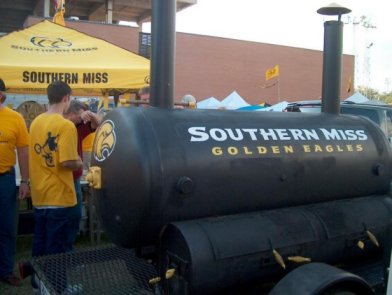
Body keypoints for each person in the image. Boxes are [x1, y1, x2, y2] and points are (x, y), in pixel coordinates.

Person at [29, 81, 82, 259]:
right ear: (66, 98)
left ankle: (38, 283)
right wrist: (80, 163)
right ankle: (58, 287)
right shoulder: (66, 125)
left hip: (39, 194)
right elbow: (67, 162)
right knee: (56, 247)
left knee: (40, 240)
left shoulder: (36, 122)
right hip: (58, 195)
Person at [0, 79, 30, 287]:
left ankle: (5, 270)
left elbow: (23, 151)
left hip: (5, 179)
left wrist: (26, 181)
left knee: (7, 227)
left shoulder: (14, 118)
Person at [63, 100, 102, 251]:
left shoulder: (79, 127)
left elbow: (98, 123)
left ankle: (68, 247)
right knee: (61, 217)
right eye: (80, 115)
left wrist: (91, 115)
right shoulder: (63, 125)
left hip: (74, 179)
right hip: (61, 178)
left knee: (74, 215)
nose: (83, 120)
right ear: (72, 113)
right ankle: (60, 250)